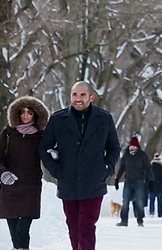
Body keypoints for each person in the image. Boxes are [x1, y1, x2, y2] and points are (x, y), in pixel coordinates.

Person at [39, 81, 121, 250]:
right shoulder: (58, 119)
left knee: (87, 225)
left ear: (91, 97)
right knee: (73, 225)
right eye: (74, 94)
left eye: (82, 95)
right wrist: (56, 171)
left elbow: (114, 148)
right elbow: (44, 147)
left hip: (94, 181)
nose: (78, 99)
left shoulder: (104, 119)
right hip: (68, 181)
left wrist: (106, 169)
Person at [0, 96, 49, 250]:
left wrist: (54, 153)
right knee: (14, 232)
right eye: (22, 112)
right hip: (9, 186)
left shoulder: (41, 135)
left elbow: (49, 154)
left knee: (22, 230)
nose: (25, 115)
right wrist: (3, 173)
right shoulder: (8, 133)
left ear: (36, 115)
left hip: (30, 187)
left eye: (29, 112)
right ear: (16, 114)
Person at [114, 136, 152, 227]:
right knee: (125, 201)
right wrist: (117, 178)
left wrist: (150, 180)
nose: (132, 148)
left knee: (139, 201)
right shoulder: (126, 155)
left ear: (137, 147)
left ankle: (140, 220)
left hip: (139, 181)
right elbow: (122, 167)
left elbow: (148, 168)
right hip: (128, 181)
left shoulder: (142, 155)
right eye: (131, 146)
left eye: (134, 146)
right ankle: (124, 220)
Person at [148, 153, 162, 218]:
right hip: (160, 188)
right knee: (159, 201)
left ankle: (151, 212)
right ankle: (160, 213)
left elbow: (147, 178)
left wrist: (147, 186)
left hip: (152, 187)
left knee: (152, 201)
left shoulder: (150, 169)